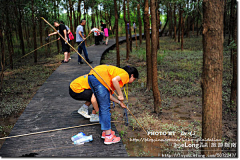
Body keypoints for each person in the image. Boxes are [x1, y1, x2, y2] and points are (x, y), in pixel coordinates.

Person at [88, 65, 139, 145]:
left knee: (102, 105)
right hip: (98, 77)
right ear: (132, 75)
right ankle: (108, 136)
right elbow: (115, 80)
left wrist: (119, 103)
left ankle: (105, 132)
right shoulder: (125, 74)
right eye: (134, 79)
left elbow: (107, 95)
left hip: (91, 76)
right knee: (105, 108)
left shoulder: (113, 75)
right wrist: (120, 94)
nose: (132, 81)